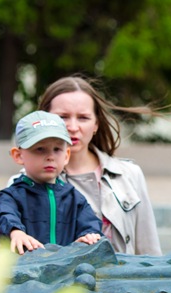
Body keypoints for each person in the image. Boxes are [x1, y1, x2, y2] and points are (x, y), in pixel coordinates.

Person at [37, 75, 161, 255]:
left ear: (96, 124)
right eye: (63, 117)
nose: (72, 127)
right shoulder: (25, 182)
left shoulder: (129, 175)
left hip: (124, 280)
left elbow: (149, 252)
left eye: (83, 118)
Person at [0, 110, 102, 255]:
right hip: (25, 269)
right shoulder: (12, 195)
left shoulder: (74, 197)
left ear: (67, 155)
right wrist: (16, 232)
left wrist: (88, 236)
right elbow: (4, 216)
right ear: (18, 156)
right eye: (40, 149)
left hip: (64, 271)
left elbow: (90, 224)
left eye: (57, 149)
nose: (50, 156)